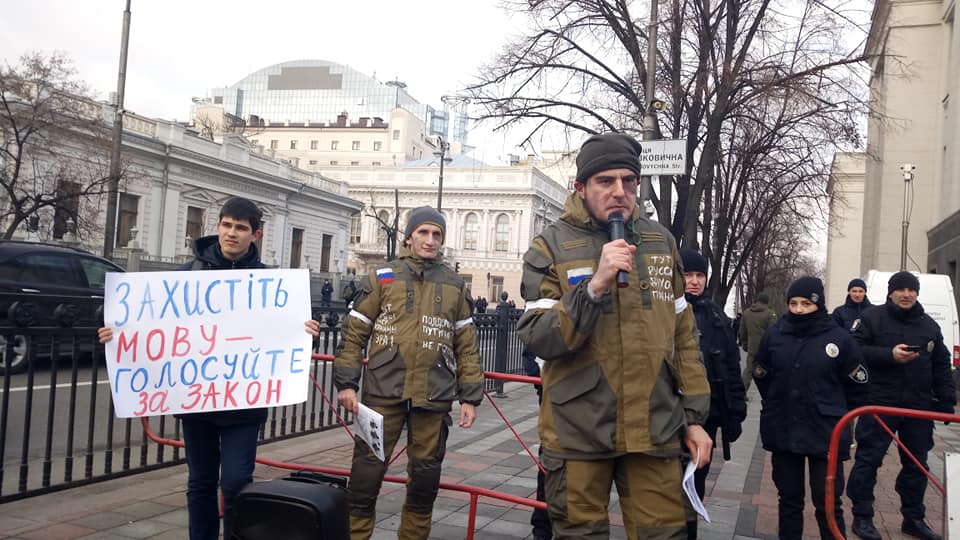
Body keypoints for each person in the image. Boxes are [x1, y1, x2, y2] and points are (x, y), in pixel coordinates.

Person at [517, 132, 712, 540]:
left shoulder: (661, 242)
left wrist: (694, 419)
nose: (619, 192)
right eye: (605, 181)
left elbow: (684, 338)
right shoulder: (550, 245)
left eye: (629, 181)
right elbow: (539, 337)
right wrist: (593, 287)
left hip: (655, 428)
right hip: (578, 433)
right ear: (581, 187)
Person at [97, 197, 321, 540]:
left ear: (255, 235)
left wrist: (308, 334)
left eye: (241, 228)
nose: (232, 233)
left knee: (235, 482)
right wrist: (117, 333)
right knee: (200, 482)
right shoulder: (188, 275)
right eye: (226, 225)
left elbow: (287, 338)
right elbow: (153, 322)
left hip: (243, 407)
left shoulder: (269, 284)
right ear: (217, 226)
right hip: (196, 404)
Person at [334, 206, 484, 540]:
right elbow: (354, 332)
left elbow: (467, 347)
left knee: (425, 480)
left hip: (434, 395)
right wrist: (346, 383)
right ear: (410, 237)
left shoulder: (455, 285)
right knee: (365, 477)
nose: (430, 241)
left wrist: (471, 398)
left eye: (437, 235)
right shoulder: (383, 276)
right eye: (423, 233)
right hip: (383, 393)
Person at [752, 277, 868, 540]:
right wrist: (776, 402)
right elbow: (761, 373)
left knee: (827, 503)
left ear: (819, 303)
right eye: (793, 303)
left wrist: (837, 411)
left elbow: (858, 385)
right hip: (785, 429)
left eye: (806, 303)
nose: (799, 309)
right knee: (789, 501)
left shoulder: (839, 338)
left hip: (826, 432)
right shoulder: (775, 334)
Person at [846, 271, 956, 540]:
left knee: (917, 464)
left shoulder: (929, 325)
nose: (906, 294)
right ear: (891, 292)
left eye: (912, 290)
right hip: (880, 405)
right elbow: (854, 351)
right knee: (868, 460)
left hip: (917, 407)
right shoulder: (872, 318)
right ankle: (862, 517)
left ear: (917, 293)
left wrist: (945, 401)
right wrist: (889, 355)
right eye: (901, 289)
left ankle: (913, 517)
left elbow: (941, 364)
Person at [678, 248, 747, 539]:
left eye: (699, 275)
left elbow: (731, 365)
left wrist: (736, 409)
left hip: (707, 415)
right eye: (688, 275)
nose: (694, 281)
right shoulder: (666, 310)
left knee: (695, 481)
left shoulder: (717, 315)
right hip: (670, 413)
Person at [522, 347, 553, 540]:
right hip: (554, 397)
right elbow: (531, 348)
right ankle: (542, 530)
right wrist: (542, 381)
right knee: (549, 469)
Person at [739, 291, 777, 395]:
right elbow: (774, 332)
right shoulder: (770, 313)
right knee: (770, 371)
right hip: (767, 349)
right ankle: (771, 394)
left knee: (748, 371)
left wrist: (745, 343)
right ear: (766, 301)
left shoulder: (747, 313)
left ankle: (741, 393)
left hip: (752, 347)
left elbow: (742, 331)